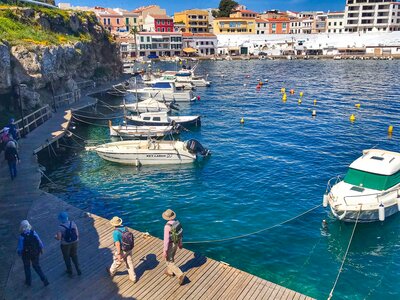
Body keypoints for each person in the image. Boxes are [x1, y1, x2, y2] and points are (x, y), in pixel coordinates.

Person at [17, 220, 49, 287]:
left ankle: (28, 282)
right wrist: (41, 248)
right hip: (35, 252)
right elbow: (39, 241)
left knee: (27, 267)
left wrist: (19, 253)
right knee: (36, 266)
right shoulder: (33, 232)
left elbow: (20, 247)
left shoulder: (21, 236)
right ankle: (44, 279)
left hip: (26, 254)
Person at [106, 216, 136, 283]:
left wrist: (119, 254)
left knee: (117, 261)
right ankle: (133, 277)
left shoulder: (115, 232)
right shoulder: (125, 228)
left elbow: (117, 244)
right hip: (129, 248)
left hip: (122, 250)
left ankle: (111, 272)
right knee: (129, 262)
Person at [162, 209, 185, 285]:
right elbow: (180, 234)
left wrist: (165, 251)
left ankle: (180, 275)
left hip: (170, 245)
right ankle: (170, 272)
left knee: (168, 261)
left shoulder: (167, 226)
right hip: (176, 243)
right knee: (172, 257)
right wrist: (180, 243)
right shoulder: (176, 223)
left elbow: (166, 240)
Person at [55, 212, 81, 277]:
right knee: (74, 255)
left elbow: (59, 238)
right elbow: (77, 234)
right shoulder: (73, 223)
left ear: (60, 219)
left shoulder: (60, 227)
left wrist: (55, 237)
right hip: (75, 242)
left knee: (67, 257)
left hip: (65, 244)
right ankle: (78, 269)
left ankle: (70, 271)